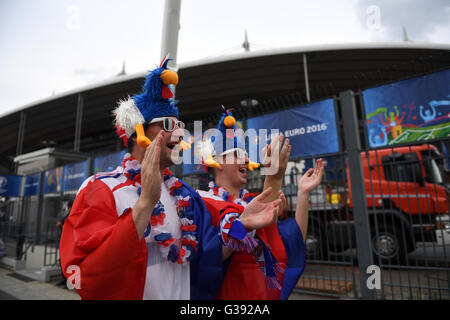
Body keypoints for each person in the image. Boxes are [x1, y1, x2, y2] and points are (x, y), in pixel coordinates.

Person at [59, 57, 283, 300]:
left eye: (179, 125)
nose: (179, 133)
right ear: (139, 132)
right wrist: (145, 203)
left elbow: (209, 259)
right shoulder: (101, 188)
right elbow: (83, 275)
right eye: (168, 124)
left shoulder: (186, 196)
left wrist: (241, 225)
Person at [197, 108, 324, 300]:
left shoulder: (251, 202)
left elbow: (291, 242)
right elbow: (204, 261)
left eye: (246, 154)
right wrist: (240, 227)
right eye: (238, 153)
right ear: (217, 162)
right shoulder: (201, 203)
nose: (247, 160)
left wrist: (303, 193)